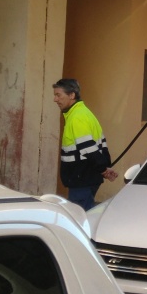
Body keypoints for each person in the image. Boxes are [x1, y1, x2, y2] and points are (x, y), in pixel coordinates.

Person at [52, 78, 117, 211]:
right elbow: (99, 145)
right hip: (85, 177)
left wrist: (103, 169)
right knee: (84, 214)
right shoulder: (83, 113)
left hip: (81, 179)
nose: (55, 99)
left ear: (72, 95)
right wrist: (103, 168)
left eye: (58, 95)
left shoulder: (77, 117)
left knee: (79, 218)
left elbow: (88, 148)